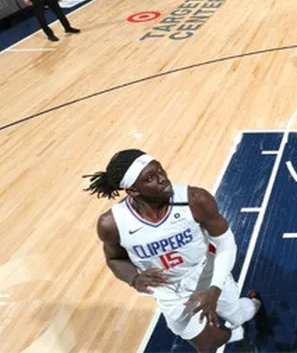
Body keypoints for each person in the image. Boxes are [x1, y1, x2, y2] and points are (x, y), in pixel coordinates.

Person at [87, 149, 267, 351]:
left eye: (160, 170)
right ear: (133, 191)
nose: (163, 179)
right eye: (151, 179)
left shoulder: (195, 200)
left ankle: (253, 305)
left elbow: (226, 244)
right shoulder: (112, 224)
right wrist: (134, 279)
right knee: (207, 346)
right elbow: (114, 259)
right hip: (168, 289)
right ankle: (237, 334)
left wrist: (214, 289)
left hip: (206, 273)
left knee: (237, 315)